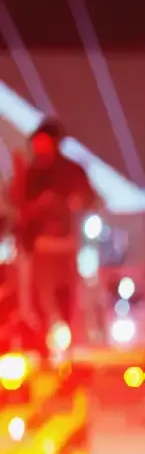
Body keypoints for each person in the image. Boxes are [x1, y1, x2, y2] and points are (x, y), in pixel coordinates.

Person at [8, 119, 99, 352]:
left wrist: (70, 203)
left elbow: (87, 198)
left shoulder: (70, 171)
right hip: (39, 247)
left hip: (65, 245)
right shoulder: (31, 173)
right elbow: (17, 201)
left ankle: (68, 344)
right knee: (39, 298)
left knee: (66, 297)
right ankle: (43, 345)